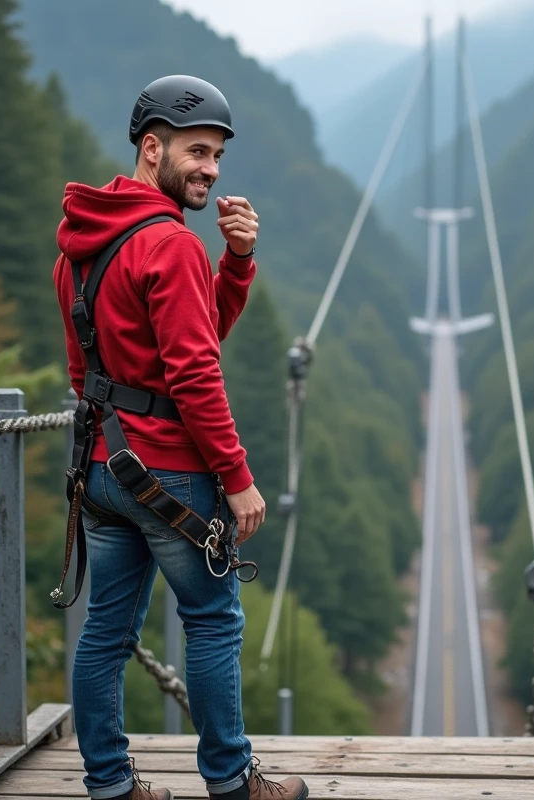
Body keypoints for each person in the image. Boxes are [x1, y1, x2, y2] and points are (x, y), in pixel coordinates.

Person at [52, 74, 309, 800]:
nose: (211, 170)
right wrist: (236, 474)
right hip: (173, 476)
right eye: (197, 152)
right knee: (214, 624)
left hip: (103, 471)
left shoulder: (81, 241)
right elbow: (195, 371)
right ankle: (231, 782)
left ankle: (109, 784)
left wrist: (233, 264)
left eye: (218, 157)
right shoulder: (168, 245)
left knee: (105, 630)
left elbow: (99, 367)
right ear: (152, 147)